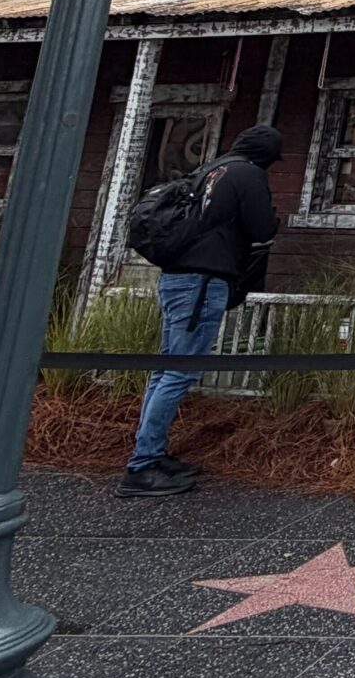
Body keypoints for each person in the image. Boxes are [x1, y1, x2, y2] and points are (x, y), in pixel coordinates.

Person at [120, 125, 283, 498]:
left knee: (165, 369)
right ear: (266, 157)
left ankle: (151, 454)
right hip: (202, 283)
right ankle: (142, 466)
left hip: (177, 278)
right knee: (179, 371)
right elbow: (262, 227)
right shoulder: (248, 174)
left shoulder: (212, 169)